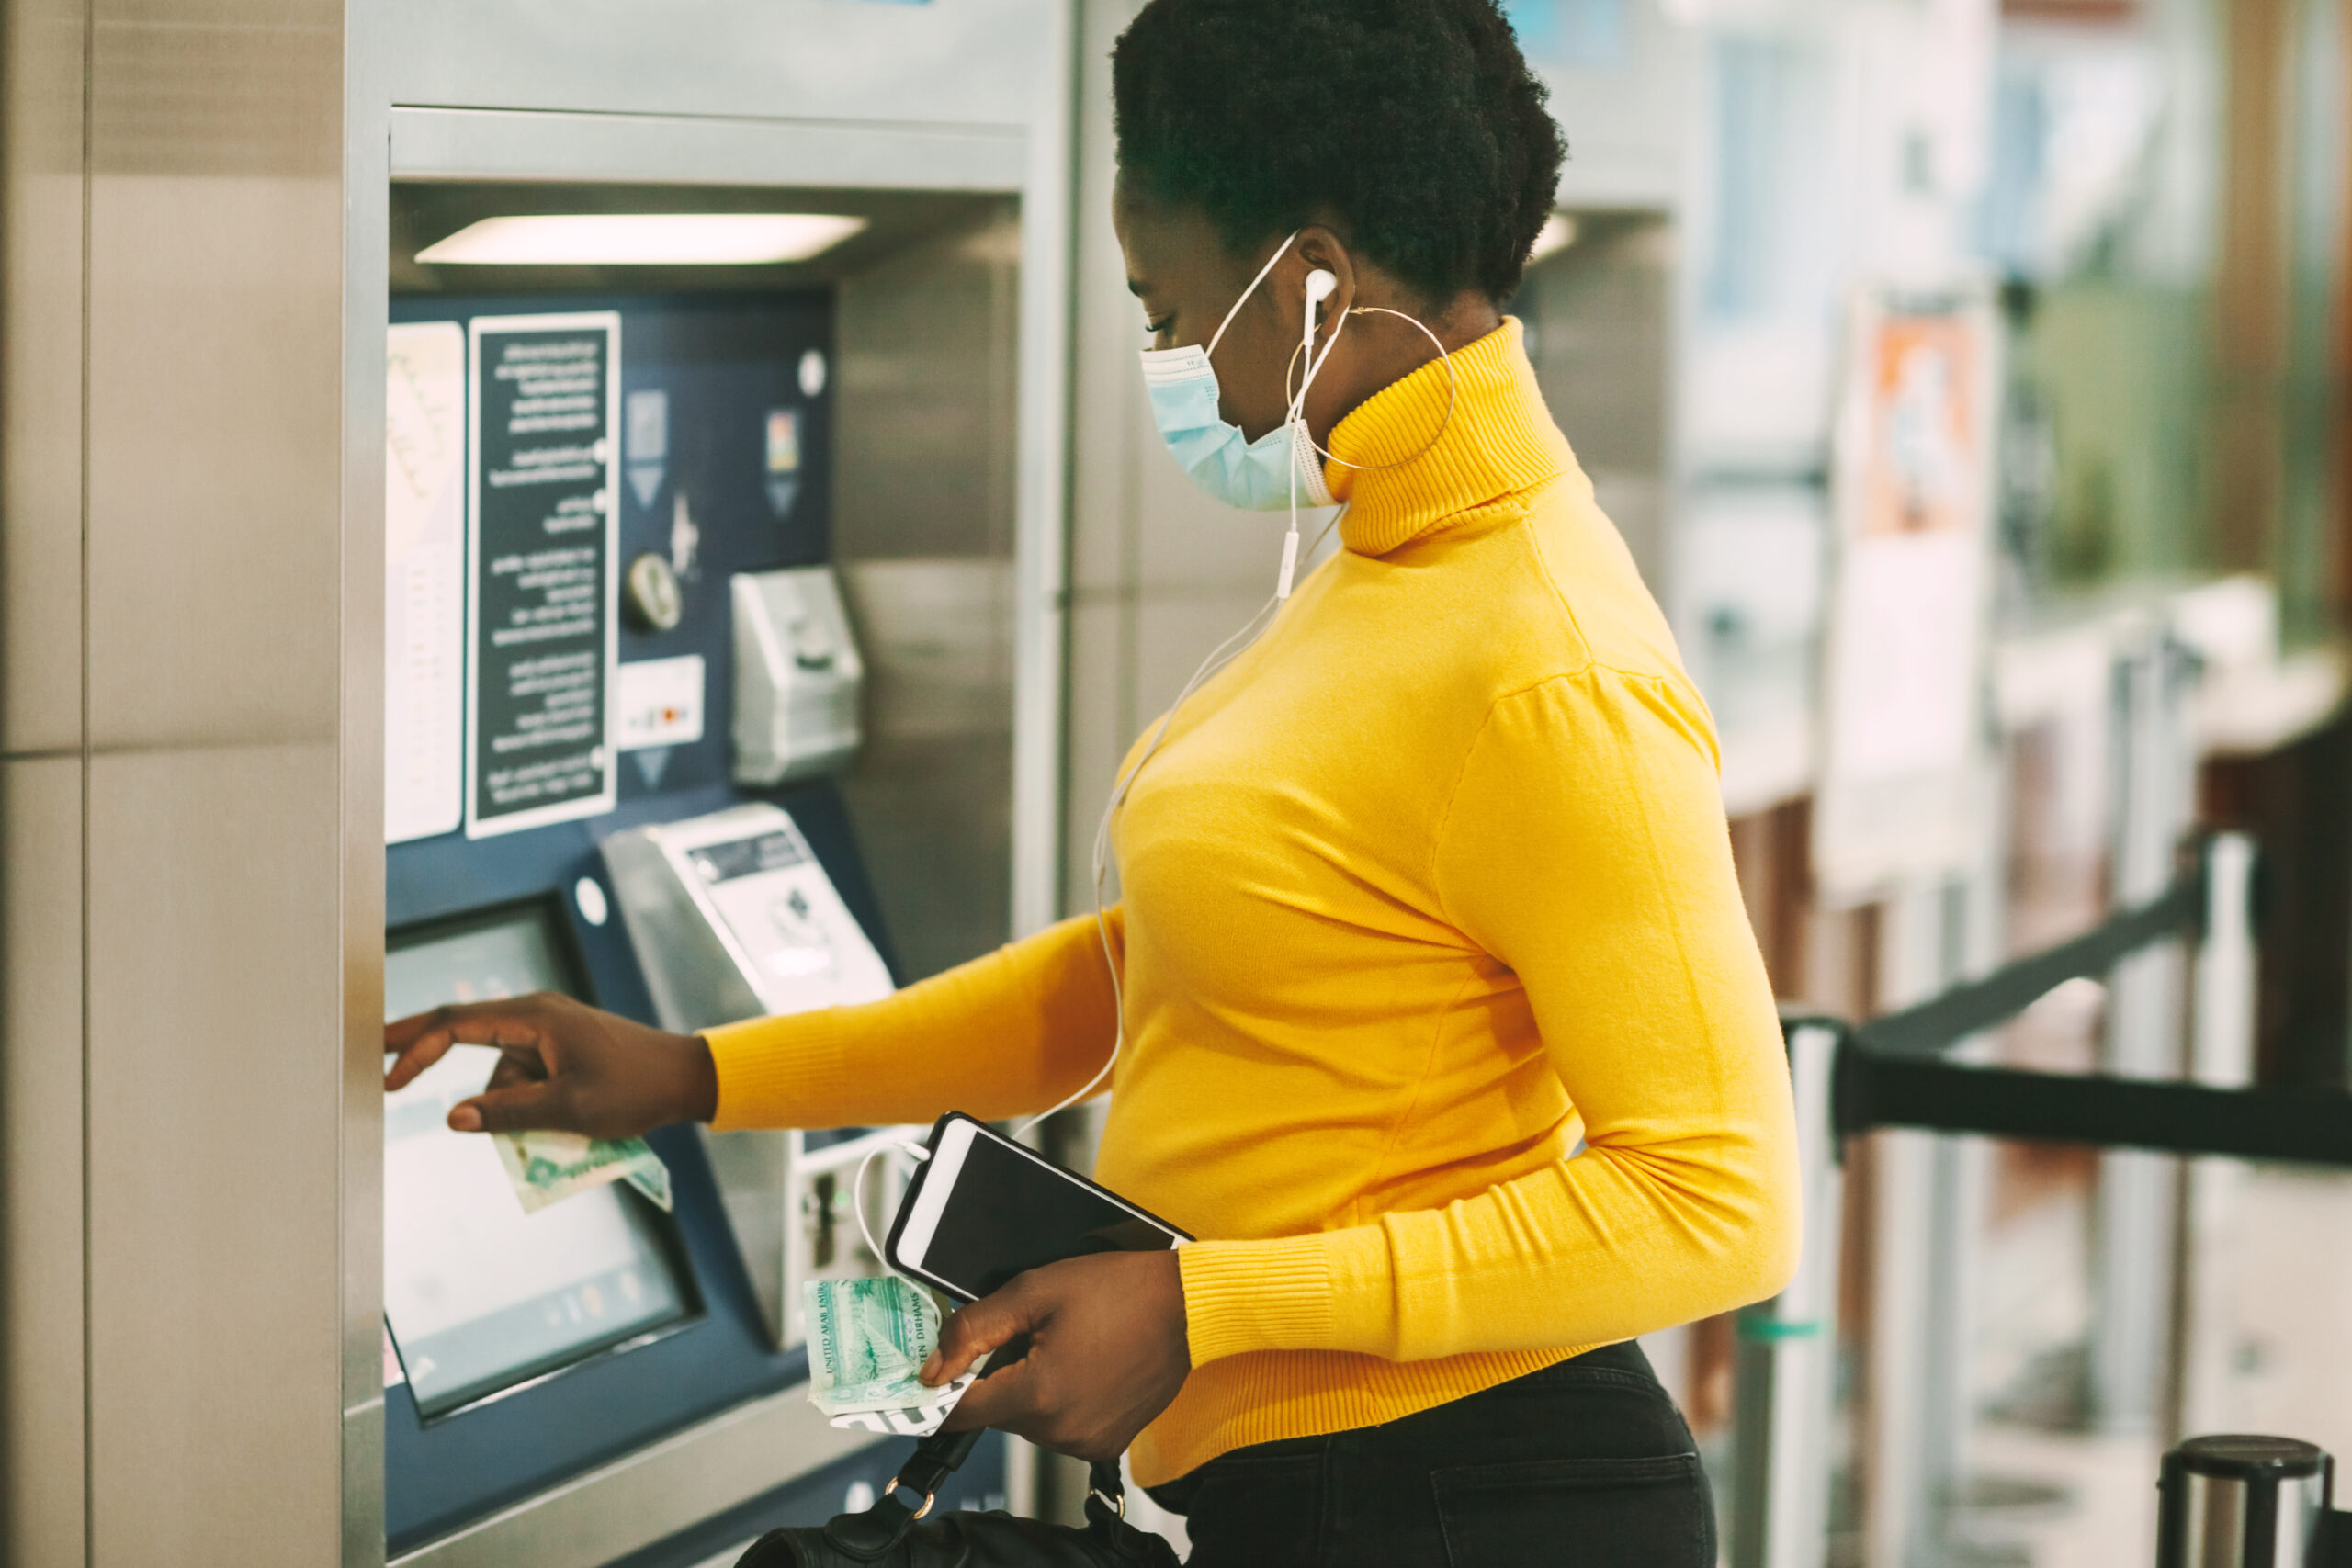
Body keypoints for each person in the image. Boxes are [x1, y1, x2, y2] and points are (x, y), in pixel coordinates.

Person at [384, 2, 1800, 1561]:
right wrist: (699, 1076)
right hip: (1308, 1494)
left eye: (1172, 308)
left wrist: (1202, 1306)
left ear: (1316, 282)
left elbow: (1716, 1200)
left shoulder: (1554, 664)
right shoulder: (1380, 566)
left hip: (1473, 1504)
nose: (1178, 360)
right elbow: (1144, 984)